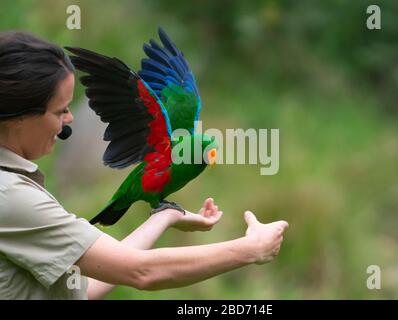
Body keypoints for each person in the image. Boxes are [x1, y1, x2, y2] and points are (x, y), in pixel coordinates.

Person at [0, 31, 289, 300]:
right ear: (20, 116)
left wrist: (166, 215)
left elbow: (85, 287)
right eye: (60, 111)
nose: (70, 119)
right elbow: (142, 271)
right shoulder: (12, 197)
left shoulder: (14, 187)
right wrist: (250, 249)